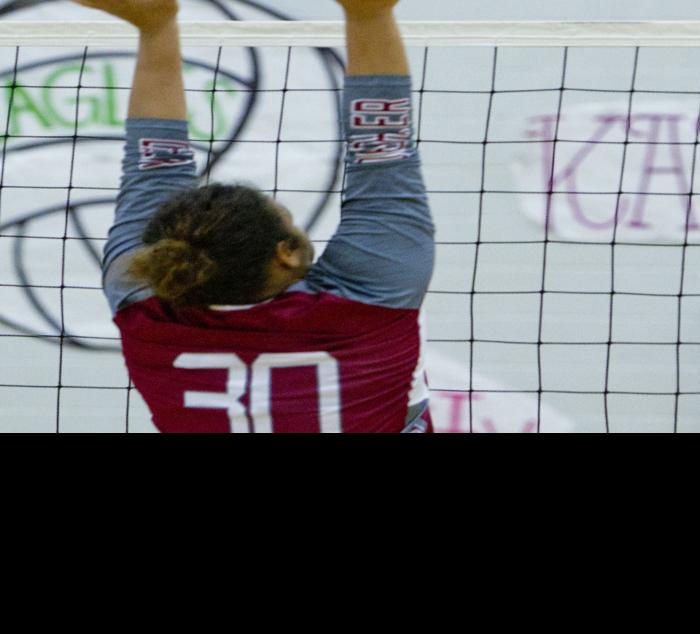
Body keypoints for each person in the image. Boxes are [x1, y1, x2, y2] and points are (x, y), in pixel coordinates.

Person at [82, 0, 436, 432]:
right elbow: (154, 168)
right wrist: (368, 14)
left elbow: (383, 151)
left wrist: (155, 25)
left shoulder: (146, 304)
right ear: (284, 253)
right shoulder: (366, 300)